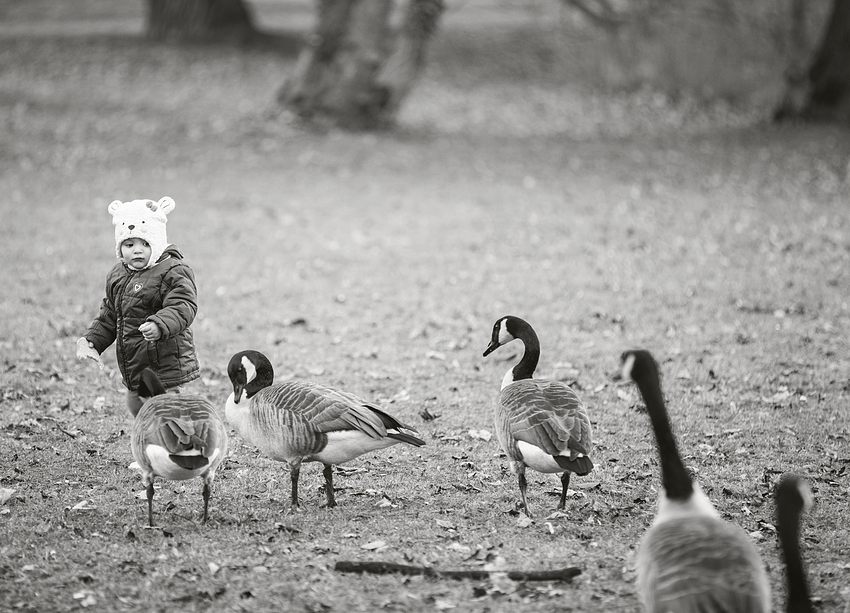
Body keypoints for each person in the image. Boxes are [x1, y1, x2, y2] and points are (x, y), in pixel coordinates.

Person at [76, 197, 200, 416]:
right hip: (135, 364)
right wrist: (93, 341)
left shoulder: (172, 271)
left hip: (165, 361)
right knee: (137, 407)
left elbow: (183, 304)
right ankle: (152, 441)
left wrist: (159, 324)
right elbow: (110, 315)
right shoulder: (118, 275)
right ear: (120, 247)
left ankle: (178, 442)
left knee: (167, 409)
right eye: (129, 244)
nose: (137, 250)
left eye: (145, 243)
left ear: (158, 241)